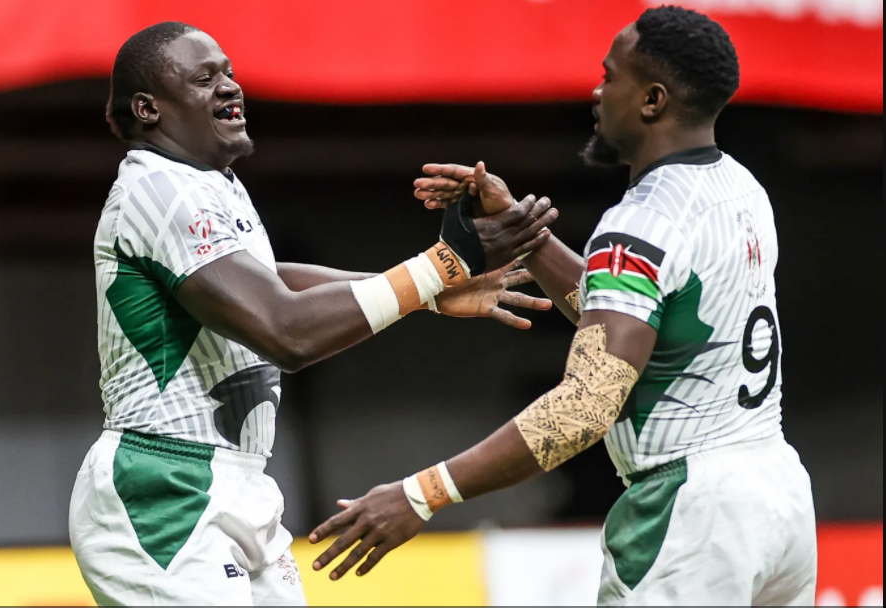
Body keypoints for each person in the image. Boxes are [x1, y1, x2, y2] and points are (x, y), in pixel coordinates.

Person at [309, 6, 817, 606]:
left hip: (692, 511)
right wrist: (529, 234)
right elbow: (638, 327)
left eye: (610, 76)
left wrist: (422, 493)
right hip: (779, 493)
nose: (596, 91)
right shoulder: (741, 188)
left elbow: (585, 405)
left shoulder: (641, 222)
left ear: (651, 100)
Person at [68, 21, 559, 607]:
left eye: (229, 72)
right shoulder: (159, 188)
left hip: (234, 480)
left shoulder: (209, 183)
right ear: (148, 108)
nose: (230, 88)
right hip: (164, 484)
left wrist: (430, 289)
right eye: (205, 79)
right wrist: (438, 268)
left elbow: (270, 278)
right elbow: (285, 331)